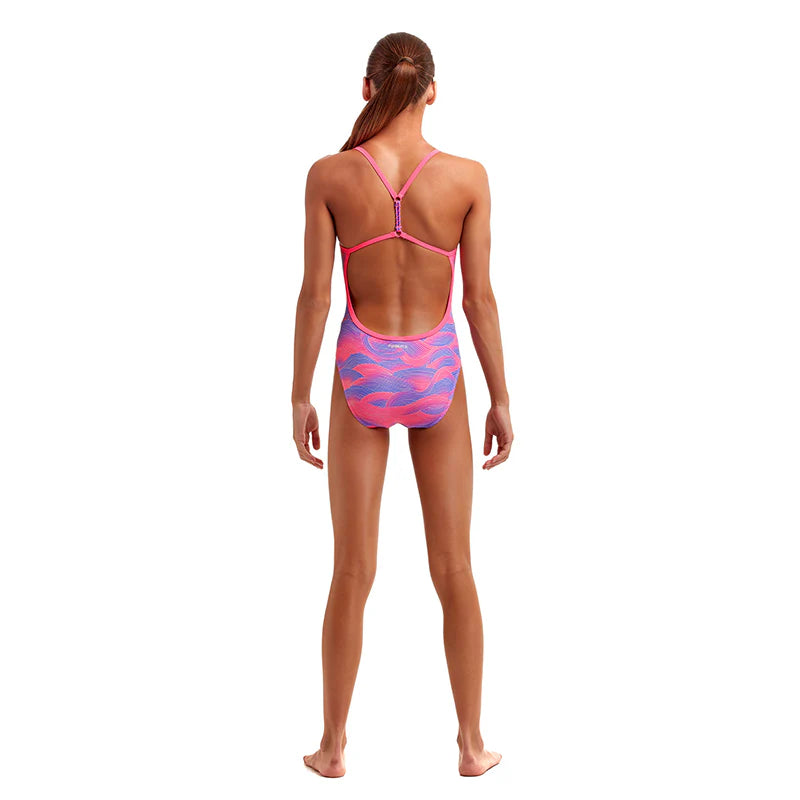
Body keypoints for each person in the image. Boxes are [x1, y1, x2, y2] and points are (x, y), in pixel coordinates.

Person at [292, 31, 512, 778]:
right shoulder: (467, 178)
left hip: (359, 369)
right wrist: (501, 397)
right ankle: (472, 746)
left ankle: (331, 748)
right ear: (433, 91)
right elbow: (478, 301)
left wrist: (299, 394)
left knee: (351, 571)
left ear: (367, 89)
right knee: (454, 568)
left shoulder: (330, 175)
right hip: (436, 372)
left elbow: (316, 297)